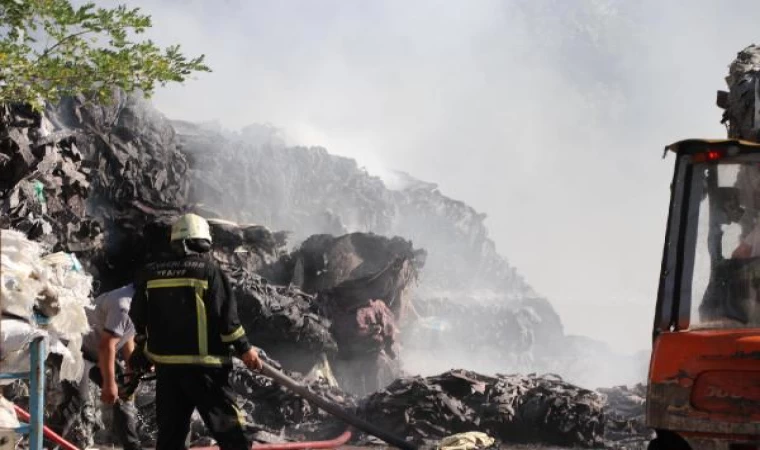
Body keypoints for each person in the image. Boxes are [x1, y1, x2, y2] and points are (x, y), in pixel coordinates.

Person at [129, 213, 262, 450]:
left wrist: (143, 349)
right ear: (202, 241)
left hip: (168, 369)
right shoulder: (208, 271)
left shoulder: (150, 273)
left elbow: (138, 316)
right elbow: (226, 318)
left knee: (171, 436)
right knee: (231, 433)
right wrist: (245, 349)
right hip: (205, 368)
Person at [50, 283, 142, 450]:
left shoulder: (139, 300)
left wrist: (130, 370)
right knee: (77, 400)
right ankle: (44, 443)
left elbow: (128, 333)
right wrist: (109, 384)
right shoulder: (123, 305)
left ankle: (133, 446)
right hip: (70, 346)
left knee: (125, 390)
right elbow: (107, 346)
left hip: (94, 349)